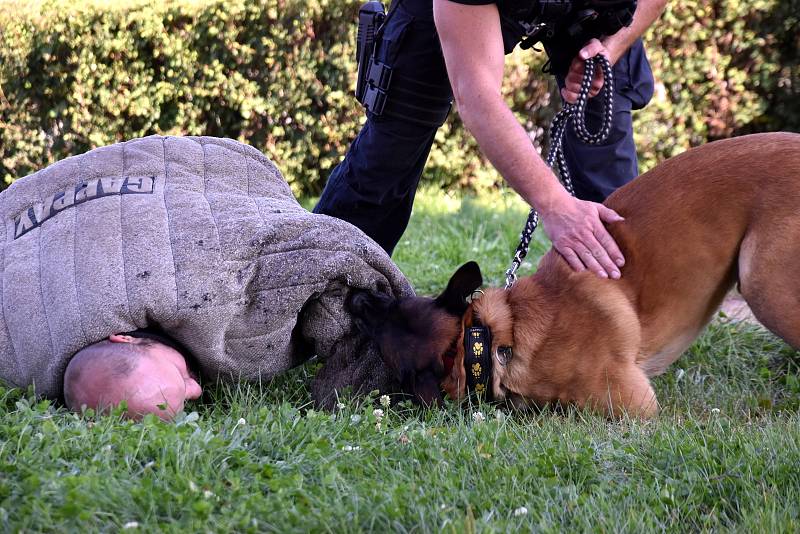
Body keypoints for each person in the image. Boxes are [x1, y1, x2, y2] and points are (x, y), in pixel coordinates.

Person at [0, 136, 412, 421]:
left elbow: (338, 254)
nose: (198, 391)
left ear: (123, 337)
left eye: (180, 379)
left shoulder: (214, 277)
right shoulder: (18, 354)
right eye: (188, 395)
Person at [314, 0, 666, 279]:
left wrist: (608, 48)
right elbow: (477, 94)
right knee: (390, 152)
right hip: (453, 10)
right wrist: (556, 207)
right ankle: (314, 290)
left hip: (589, 19)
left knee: (611, 176)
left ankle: (619, 316)